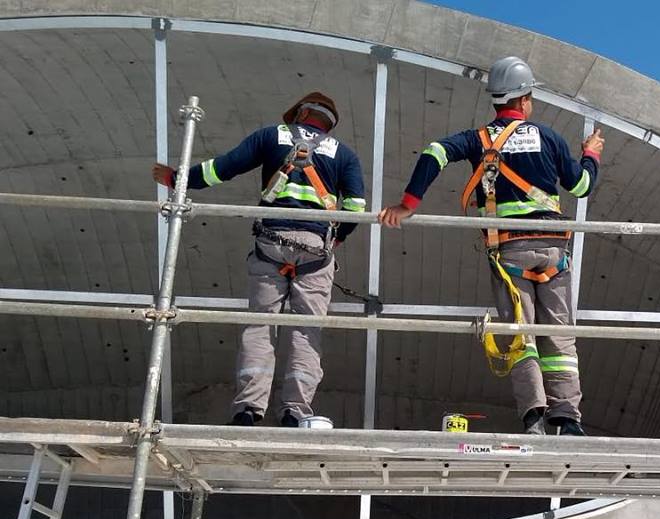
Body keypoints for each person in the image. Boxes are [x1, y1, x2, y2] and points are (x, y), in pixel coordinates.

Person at [379, 57, 604, 435]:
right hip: (553, 249)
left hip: (509, 250)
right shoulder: (548, 137)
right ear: (526, 99)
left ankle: (534, 415)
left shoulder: (478, 139)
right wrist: (592, 153)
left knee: (522, 332)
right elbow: (581, 186)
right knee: (559, 335)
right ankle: (566, 418)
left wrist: (408, 204)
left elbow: (435, 151)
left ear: (497, 102)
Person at [152, 92, 366, 427]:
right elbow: (355, 209)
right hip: (315, 250)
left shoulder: (272, 136)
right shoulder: (344, 154)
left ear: (302, 113)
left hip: (270, 245)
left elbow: (221, 169)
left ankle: (248, 410)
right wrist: (338, 237)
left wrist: (177, 180)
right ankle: (295, 412)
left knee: (260, 326)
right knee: (305, 332)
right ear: (328, 125)